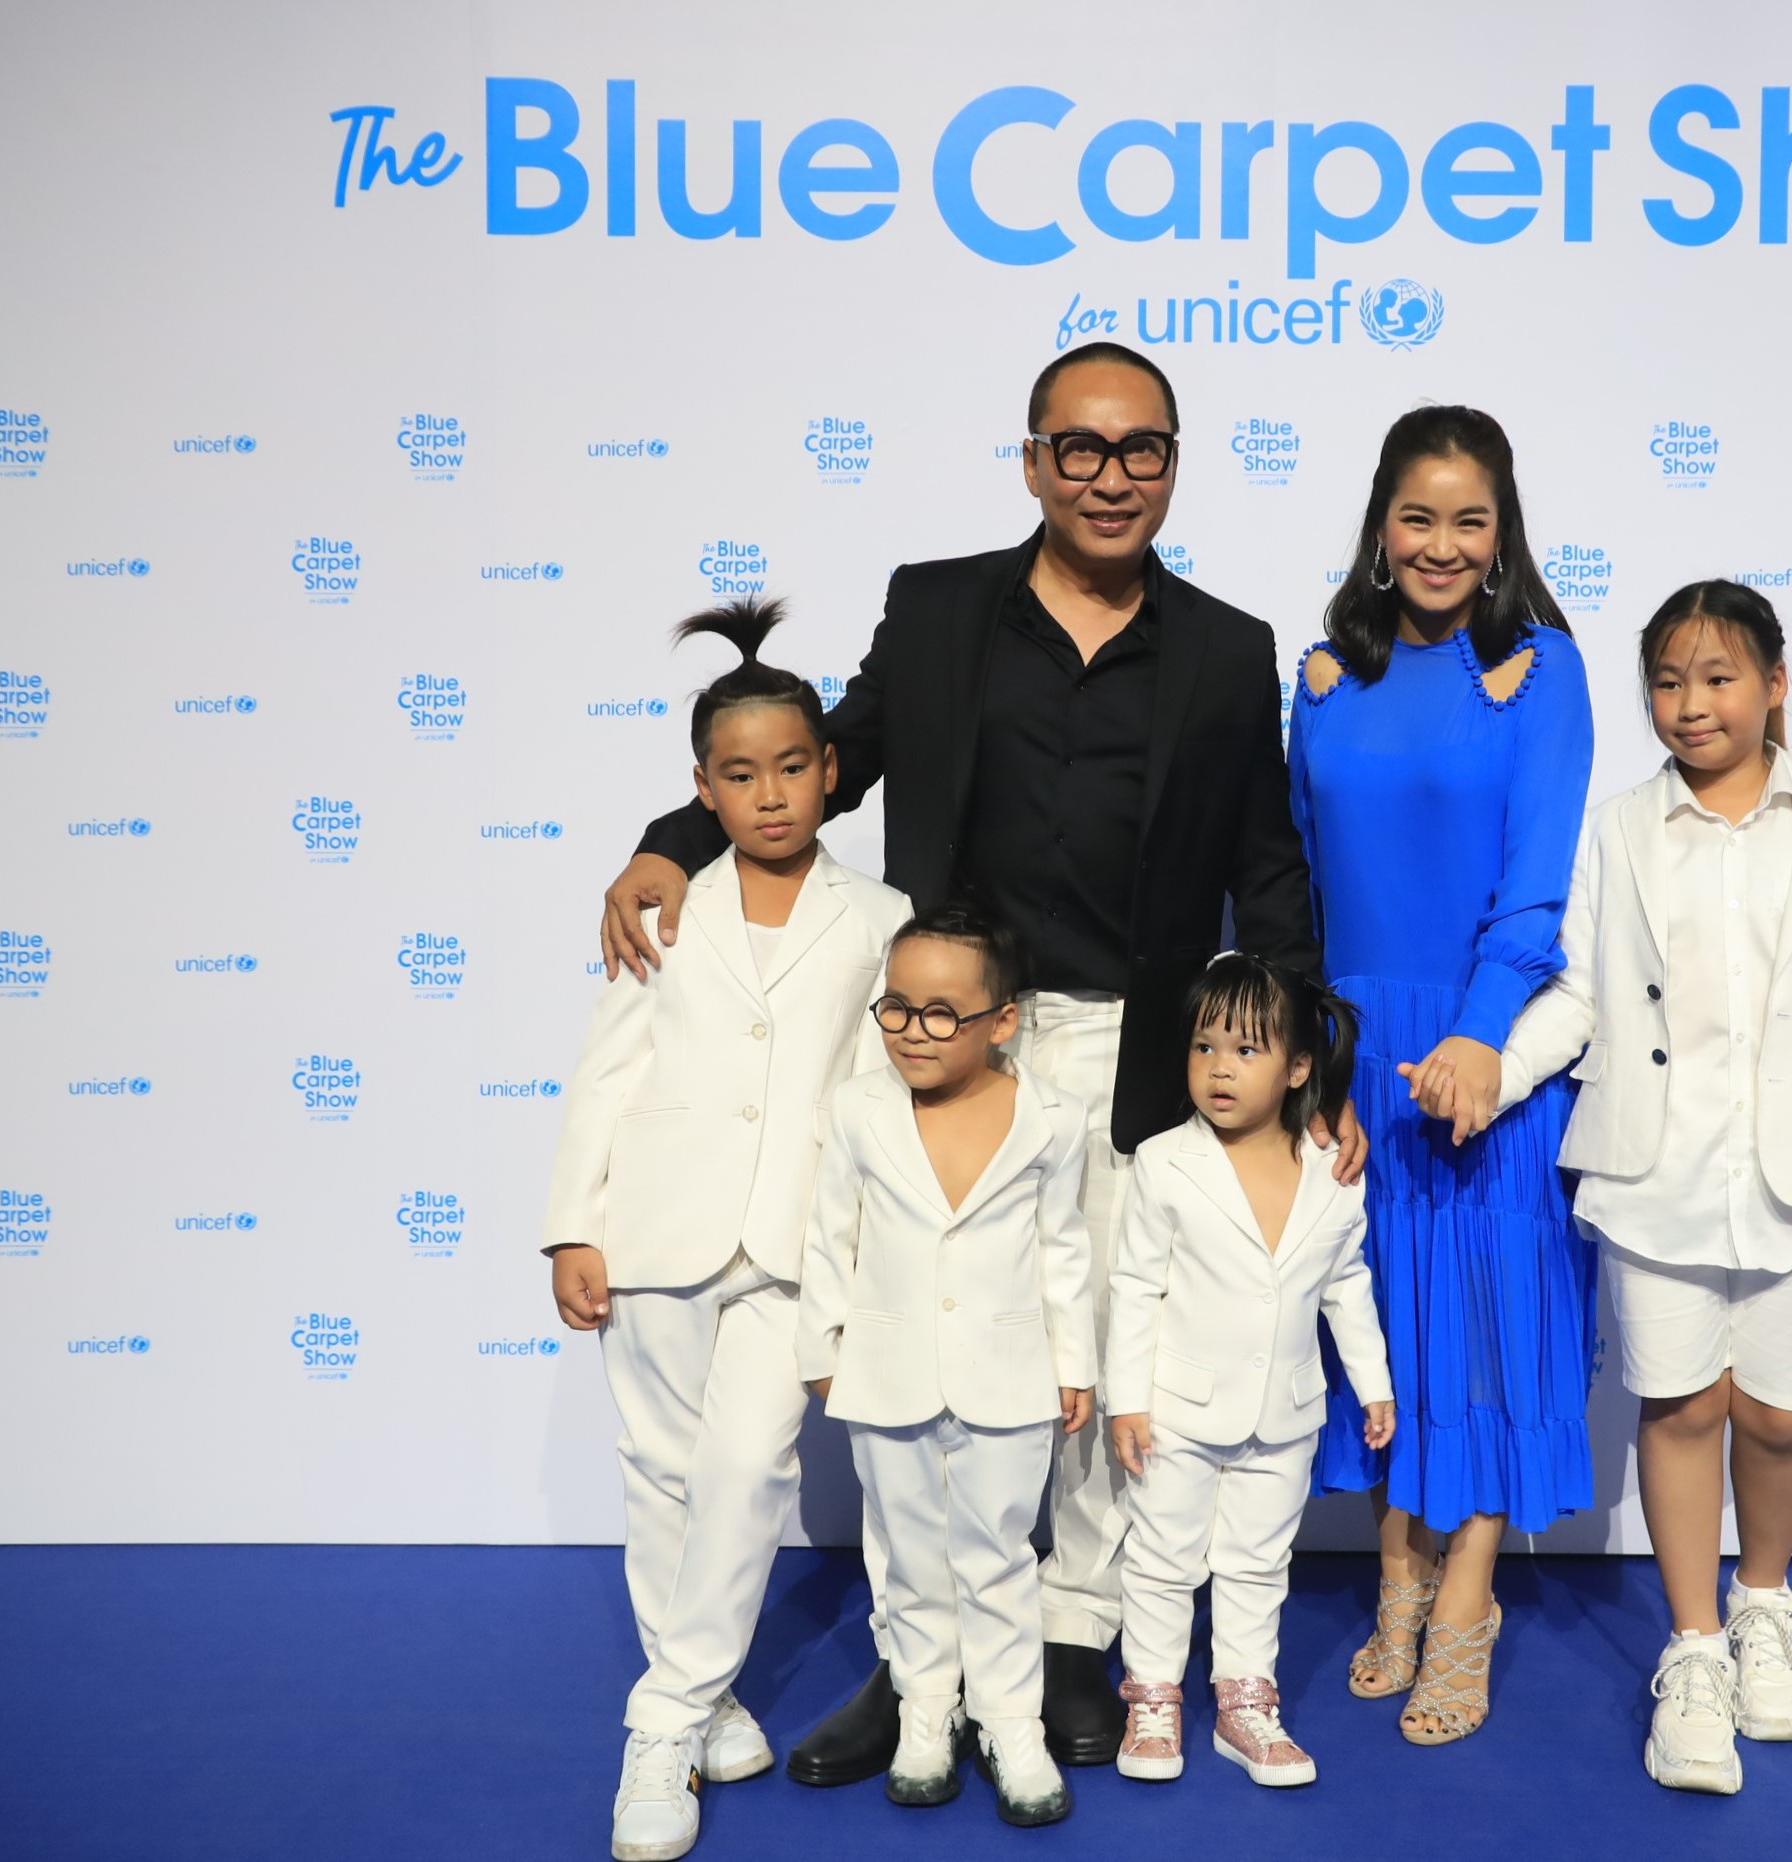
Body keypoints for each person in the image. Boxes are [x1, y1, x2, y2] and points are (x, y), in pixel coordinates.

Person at [598, 343, 1354, 1779]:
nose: (1110, 475)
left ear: (1174, 463)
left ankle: (1068, 1637)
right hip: (948, 1043)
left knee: (1090, 1351)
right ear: (1031, 461)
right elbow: (825, 760)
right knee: (924, 1351)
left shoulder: (1225, 645)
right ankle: (918, 1660)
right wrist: (668, 841)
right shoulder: (938, 608)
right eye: (1080, 447)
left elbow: (1266, 864)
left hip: (1135, 1046)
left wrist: (1302, 1062)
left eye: (1140, 448)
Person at [1492, 579, 1792, 1795]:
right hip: (1654, 1168)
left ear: (1775, 684)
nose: (1691, 704)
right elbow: (1578, 991)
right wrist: (1497, 1070)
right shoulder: (1620, 829)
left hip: (1791, 1173)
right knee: (1679, 1405)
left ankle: (1764, 1609)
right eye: (1668, 682)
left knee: (1777, 1414)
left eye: (1719, 677)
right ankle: (1692, 1650)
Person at [539, 599, 913, 1862]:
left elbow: (873, 1095)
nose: (770, 794)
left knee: (749, 1467)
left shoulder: (880, 916)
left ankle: (658, 1723)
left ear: (831, 769)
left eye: (792, 767)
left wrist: (861, 1251)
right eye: (740, 775)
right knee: (659, 1468)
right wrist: (572, 1226)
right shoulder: (664, 903)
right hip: (654, 1224)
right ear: (701, 787)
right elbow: (607, 1068)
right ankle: (706, 1698)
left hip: (792, 1241)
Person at [1294, 406, 1596, 1746]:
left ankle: (1464, 1593)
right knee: (1378, 1325)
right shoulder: (1320, 677)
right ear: (1379, 525)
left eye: (1470, 520)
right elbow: (1297, 881)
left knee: (1475, 1323)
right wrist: (1302, 1050)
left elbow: (1536, 884)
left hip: (1481, 1048)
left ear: (1502, 531)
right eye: (1417, 516)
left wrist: (1478, 1039)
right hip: (1351, 1050)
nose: (1441, 543)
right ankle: (1396, 1569)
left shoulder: (1541, 670)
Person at [796, 906, 1096, 1827]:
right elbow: (830, 1234)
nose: (911, 1032)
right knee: (909, 1553)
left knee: (998, 1552)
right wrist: (821, 1345)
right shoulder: (858, 1107)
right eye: (895, 1007)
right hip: (884, 1367)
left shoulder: (1054, 1117)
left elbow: (1063, 1248)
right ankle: (926, 1708)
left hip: (1010, 1371)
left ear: (1002, 1020)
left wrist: (1074, 1361)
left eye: (940, 1013)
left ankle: (1010, 1721)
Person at [1103, 955, 1395, 1789]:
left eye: (1244, 1050)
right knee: (1161, 1558)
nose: (1218, 1068)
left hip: (1286, 1412)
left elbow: (1345, 1283)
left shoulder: (1334, 1170)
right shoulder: (1164, 1160)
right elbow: (1135, 1286)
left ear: (1298, 1068)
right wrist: (1128, 1399)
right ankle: (1152, 1699)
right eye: (1203, 1047)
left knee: (1258, 1563)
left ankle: (1245, 1704)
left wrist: (1373, 1384)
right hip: (1176, 1411)